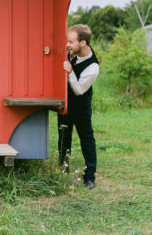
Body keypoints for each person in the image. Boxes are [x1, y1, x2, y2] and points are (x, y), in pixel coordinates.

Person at [58, 24, 100, 190]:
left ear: (83, 43)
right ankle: (62, 171)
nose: (68, 45)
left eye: (71, 42)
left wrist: (69, 72)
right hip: (66, 105)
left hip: (81, 107)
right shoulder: (73, 52)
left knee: (87, 140)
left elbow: (79, 90)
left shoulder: (93, 67)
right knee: (63, 137)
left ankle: (89, 177)